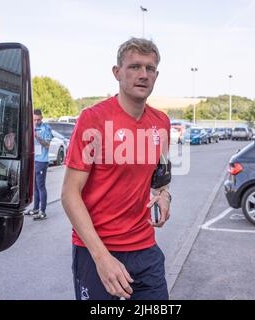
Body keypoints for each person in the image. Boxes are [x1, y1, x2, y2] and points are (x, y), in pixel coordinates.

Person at [62, 37, 172, 300]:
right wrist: (102, 259)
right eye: (134, 66)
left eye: (150, 68)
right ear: (117, 72)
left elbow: (162, 177)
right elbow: (69, 194)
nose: (143, 75)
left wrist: (165, 196)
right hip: (96, 250)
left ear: (156, 75)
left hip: (145, 249)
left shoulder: (161, 122)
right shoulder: (94, 119)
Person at [26, 109, 53, 221]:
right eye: (34, 119)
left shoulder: (46, 128)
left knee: (41, 186)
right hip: (33, 160)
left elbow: (47, 145)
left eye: (38, 119)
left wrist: (37, 136)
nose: (36, 122)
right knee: (35, 186)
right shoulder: (30, 127)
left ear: (42, 118)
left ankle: (43, 212)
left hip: (42, 161)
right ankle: (36, 208)